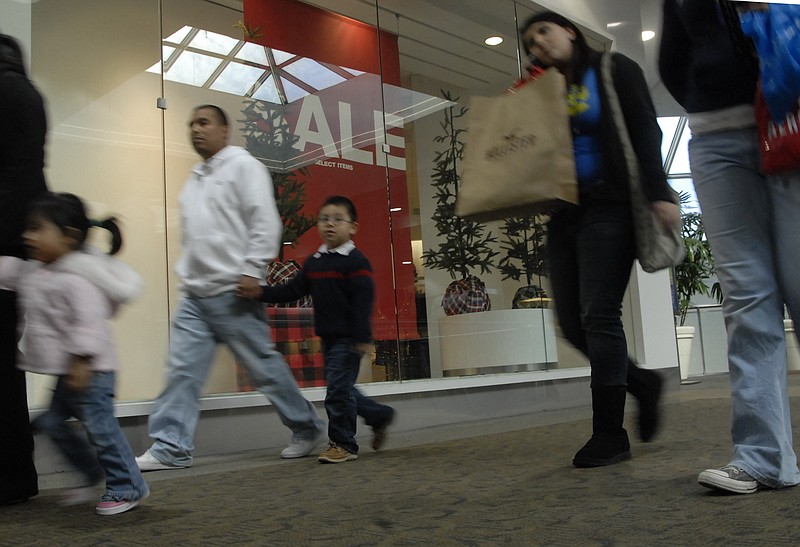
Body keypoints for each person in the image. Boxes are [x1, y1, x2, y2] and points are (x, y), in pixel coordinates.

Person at [519, 12, 681, 467]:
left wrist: (660, 192)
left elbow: (645, 129)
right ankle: (643, 383)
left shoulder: (612, 69)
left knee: (599, 313)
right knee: (571, 325)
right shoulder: (544, 90)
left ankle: (610, 434)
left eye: (544, 33)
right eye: (531, 42)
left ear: (569, 29)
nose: (539, 45)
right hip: (566, 214)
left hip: (611, 206)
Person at [660, 0, 800, 494]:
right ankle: (763, 457)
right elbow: (672, 61)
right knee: (747, 299)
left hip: (793, 122)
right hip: (717, 139)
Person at [136, 104, 325, 471]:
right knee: (182, 371)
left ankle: (306, 426)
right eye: (191, 123)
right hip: (197, 296)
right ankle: (171, 446)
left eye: (204, 122)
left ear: (225, 130)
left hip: (234, 292)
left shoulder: (244, 167)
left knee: (264, 370)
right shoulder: (194, 179)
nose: (195, 129)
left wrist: (253, 270)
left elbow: (265, 221)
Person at [0, 192, 149, 515]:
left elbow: (89, 324)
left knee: (101, 429)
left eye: (38, 229)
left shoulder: (79, 278)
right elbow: (9, 272)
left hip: (91, 370)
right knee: (52, 422)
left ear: (69, 236)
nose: (27, 236)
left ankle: (128, 486)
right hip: (68, 372)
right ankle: (90, 473)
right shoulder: (37, 271)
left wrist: (82, 361)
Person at [240, 195, 395, 464]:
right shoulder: (315, 262)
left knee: (336, 391)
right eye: (324, 219)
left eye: (338, 219)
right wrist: (259, 292)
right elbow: (291, 291)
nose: (329, 224)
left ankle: (343, 443)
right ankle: (378, 415)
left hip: (349, 339)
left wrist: (362, 337)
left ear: (353, 227)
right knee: (342, 388)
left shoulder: (356, 262)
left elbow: (363, 302)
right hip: (328, 338)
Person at [0, 33, 47, 505]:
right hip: (14, 247)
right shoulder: (24, 92)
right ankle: (15, 474)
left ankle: (13, 477)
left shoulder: (8, 92)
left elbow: (15, 180)